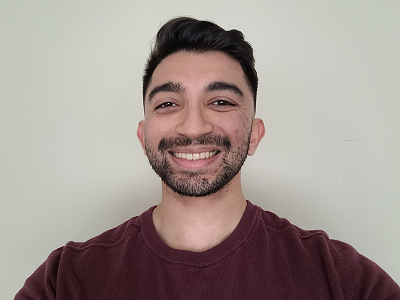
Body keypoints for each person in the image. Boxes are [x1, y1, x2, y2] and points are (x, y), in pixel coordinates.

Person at [15, 17, 399, 300]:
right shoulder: (64, 281)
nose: (194, 127)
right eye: (168, 103)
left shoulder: (343, 280)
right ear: (143, 136)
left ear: (254, 135)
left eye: (220, 101)